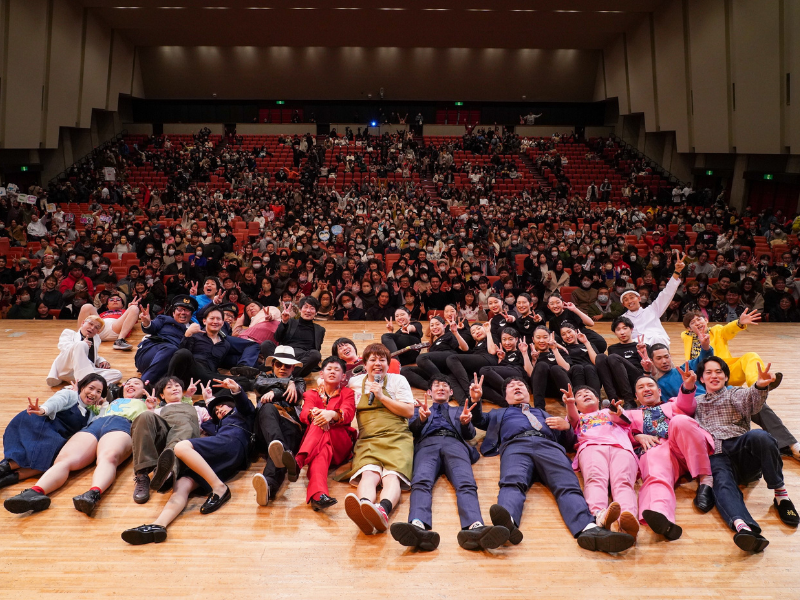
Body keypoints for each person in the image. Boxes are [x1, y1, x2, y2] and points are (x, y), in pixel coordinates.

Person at [468, 375, 635, 553]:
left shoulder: (544, 413)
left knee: (568, 485)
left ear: (528, 392)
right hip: (516, 446)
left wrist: (566, 427)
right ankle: (507, 523)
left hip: (549, 447)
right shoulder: (498, 413)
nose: (517, 386)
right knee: (511, 482)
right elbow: (478, 420)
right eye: (511, 386)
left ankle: (589, 529)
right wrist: (476, 400)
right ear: (506, 396)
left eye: (521, 385)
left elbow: (569, 442)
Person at [121, 378, 255, 545]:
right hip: (217, 460)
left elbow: (245, 405)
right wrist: (153, 409)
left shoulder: (241, 413)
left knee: (182, 446)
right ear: (162, 394)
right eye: (217, 410)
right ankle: (159, 525)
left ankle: (219, 488)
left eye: (223, 406)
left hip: (230, 444)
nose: (219, 410)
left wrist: (234, 390)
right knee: (182, 485)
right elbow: (207, 423)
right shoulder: (215, 425)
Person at [390, 375, 510, 551]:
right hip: (427, 444)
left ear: (451, 392)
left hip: (455, 445)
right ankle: (417, 525)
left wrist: (465, 423)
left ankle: (475, 526)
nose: (441, 388)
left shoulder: (461, 410)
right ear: (429, 392)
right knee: (421, 482)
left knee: (466, 483)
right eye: (436, 386)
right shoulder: (418, 409)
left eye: (445, 386)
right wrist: (421, 419)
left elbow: (469, 435)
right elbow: (412, 431)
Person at [693, 357, 799, 552]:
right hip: (716, 454)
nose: (714, 375)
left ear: (726, 377)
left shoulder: (734, 394)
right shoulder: (695, 403)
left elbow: (751, 401)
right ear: (701, 379)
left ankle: (781, 496)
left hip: (741, 448)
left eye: (718, 372)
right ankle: (744, 528)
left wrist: (759, 386)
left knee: (760, 436)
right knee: (721, 483)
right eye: (708, 372)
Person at [4, 377, 148, 515]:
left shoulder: (149, 405)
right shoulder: (108, 404)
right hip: (94, 426)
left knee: (108, 457)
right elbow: (78, 403)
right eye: (128, 383)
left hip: (123, 424)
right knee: (64, 459)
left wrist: (153, 407)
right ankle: (35, 492)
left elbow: (157, 421)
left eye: (136, 383)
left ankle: (93, 494)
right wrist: (76, 393)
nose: (131, 385)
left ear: (144, 391)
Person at [626, 367, 715, 539]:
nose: (646, 389)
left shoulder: (673, 404)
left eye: (650, 385)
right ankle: (661, 517)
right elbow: (619, 431)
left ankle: (706, 478)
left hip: (685, 447)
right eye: (641, 387)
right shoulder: (630, 414)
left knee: (680, 420)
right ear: (636, 396)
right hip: (659, 453)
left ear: (659, 391)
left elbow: (686, 404)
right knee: (653, 464)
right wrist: (637, 437)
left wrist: (687, 387)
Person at [340, 343, 415, 535]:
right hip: (368, 438)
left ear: (388, 364)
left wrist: (381, 396)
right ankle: (364, 508)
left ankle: (382, 511)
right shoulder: (355, 383)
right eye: (372, 359)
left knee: (391, 476)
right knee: (369, 474)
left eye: (382, 359)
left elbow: (408, 411)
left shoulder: (399, 381)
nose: (377, 363)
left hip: (397, 437)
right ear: (364, 364)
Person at [0, 374, 107, 494]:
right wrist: (42, 410)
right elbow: (55, 402)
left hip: (55, 438)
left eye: (98, 391)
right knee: (43, 450)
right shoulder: (70, 395)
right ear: (82, 387)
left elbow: (99, 421)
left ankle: (5, 480)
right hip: (40, 424)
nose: (93, 393)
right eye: (91, 388)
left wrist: (104, 404)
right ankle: (4, 468)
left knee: (53, 463)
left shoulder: (90, 414)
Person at [562, 385, 640, 540]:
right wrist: (570, 404)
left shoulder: (610, 411)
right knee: (595, 479)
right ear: (576, 405)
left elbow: (624, 420)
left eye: (588, 392)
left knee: (623, 482)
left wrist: (615, 412)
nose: (584, 394)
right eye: (579, 395)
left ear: (598, 399)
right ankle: (600, 516)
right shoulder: (579, 417)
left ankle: (628, 521)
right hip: (591, 447)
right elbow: (572, 419)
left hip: (621, 448)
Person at [280, 357, 356, 511]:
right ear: (321, 374)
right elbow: (304, 415)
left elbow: (348, 413)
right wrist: (317, 414)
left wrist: (330, 415)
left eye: (337, 370)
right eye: (329, 369)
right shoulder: (311, 394)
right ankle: (318, 496)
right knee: (320, 453)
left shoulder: (347, 393)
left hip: (341, 444)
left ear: (343, 376)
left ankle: (299, 461)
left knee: (319, 423)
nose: (333, 372)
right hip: (319, 447)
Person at [130, 375, 211, 504]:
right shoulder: (158, 411)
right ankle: (143, 475)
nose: (174, 388)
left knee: (185, 424)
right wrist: (150, 409)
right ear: (162, 395)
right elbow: (145, 431)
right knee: (144, 416)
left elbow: (213, 424)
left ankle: (168, 470)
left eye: (177, 385)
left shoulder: (198, 409)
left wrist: (209, 399)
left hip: (186, 444)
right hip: (163, 443)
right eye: (169, 387)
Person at [251, 346, 307, 506]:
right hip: (265, 429)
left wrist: (277, 391)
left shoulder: (299, 381)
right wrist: (285, 384)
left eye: (287, 366)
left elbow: (298, 393)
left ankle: (268, 487)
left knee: (284, 447)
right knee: (268, 407)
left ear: (293, 368)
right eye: (279, 365)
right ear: (273, 365)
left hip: (290, 426)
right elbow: (259, 385)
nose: (283, 368)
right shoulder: (262, 376)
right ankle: (279, 449)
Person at [620, 251, 686, 347]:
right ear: (623, 304)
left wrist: (677, 272)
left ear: (638, 298)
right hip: (638, 349)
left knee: (657, 339)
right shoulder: (623, 319)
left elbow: (667, 293)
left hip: (658, 346)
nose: (629, 301)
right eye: (626, 300)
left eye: (631, 297)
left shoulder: (652, 310)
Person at [134, 294, 198, 385]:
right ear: (173, 312)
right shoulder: (164, 319)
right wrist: (147, 322)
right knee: (170, 349)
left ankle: (150, 387)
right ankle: (143, 385)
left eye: (187, 310)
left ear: (191, 314)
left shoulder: (195, 329)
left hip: (171, 363)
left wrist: (188, 335)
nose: (183, 313)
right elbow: (151, 327)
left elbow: (187, 353)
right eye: (179, 309)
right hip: (151, 351)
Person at [46, 315, 122, 388]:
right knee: (81, 345)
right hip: (66, 368)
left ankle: (81, 386)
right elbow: (64, 348)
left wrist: (101, 361)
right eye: (90, 324)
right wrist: (82, 344)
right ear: (83, 323)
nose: (92, 328)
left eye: (96, 327)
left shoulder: (96, 339)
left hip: (85, 372)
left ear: (98, 332)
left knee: (117, 374)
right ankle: (86, 384)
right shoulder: (69, 333)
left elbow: (90, 356)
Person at [262, 296, 324, 377]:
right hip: (284, 355)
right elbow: (277, 338)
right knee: (266, 344)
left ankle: (284, 375)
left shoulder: (320, 329)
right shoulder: (290, 322)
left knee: (316, 354)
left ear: (316, 312)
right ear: (300, 309)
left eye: (312, 308)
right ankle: (284, 373)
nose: (308, 311)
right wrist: (284, 322)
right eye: (305, 307)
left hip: (302, 359)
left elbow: (316, 349)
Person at [400, 316, 461, 390]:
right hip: (435, 370)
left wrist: (456, 333)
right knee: (404, 370)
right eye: (432, 325)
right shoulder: (433, 343)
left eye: (437, 324)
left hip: (448, 357)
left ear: (444, 326)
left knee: (421, 358)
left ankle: (443, 384)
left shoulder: (449, 335)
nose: (434, 327)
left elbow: (462, 348)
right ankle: (432, 389)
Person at [444, 322, 497, 404]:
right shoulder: (475, 347)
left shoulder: (491, 337)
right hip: (477, 366)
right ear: (473, 338)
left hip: (488, 360)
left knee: (452, 358)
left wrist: (488, 332)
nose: (477, 332)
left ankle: (468, 391)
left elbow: (492, 351)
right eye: (473, 332)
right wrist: (456, 333)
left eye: (479, 328)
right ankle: (465, 402)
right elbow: (465, 349)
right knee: (451, 376)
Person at [77, 292, 141, 351]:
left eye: (118, 299)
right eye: (111, 300)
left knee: (134, 308)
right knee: (87, 306)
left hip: (116, 327)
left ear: (122, 305)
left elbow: (133, 319)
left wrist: (130, 308)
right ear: (107, 306)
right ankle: (78, 337)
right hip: (100, 327)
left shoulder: (125, 311)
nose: (115, 300)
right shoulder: (102, 313)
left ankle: (119, 341)